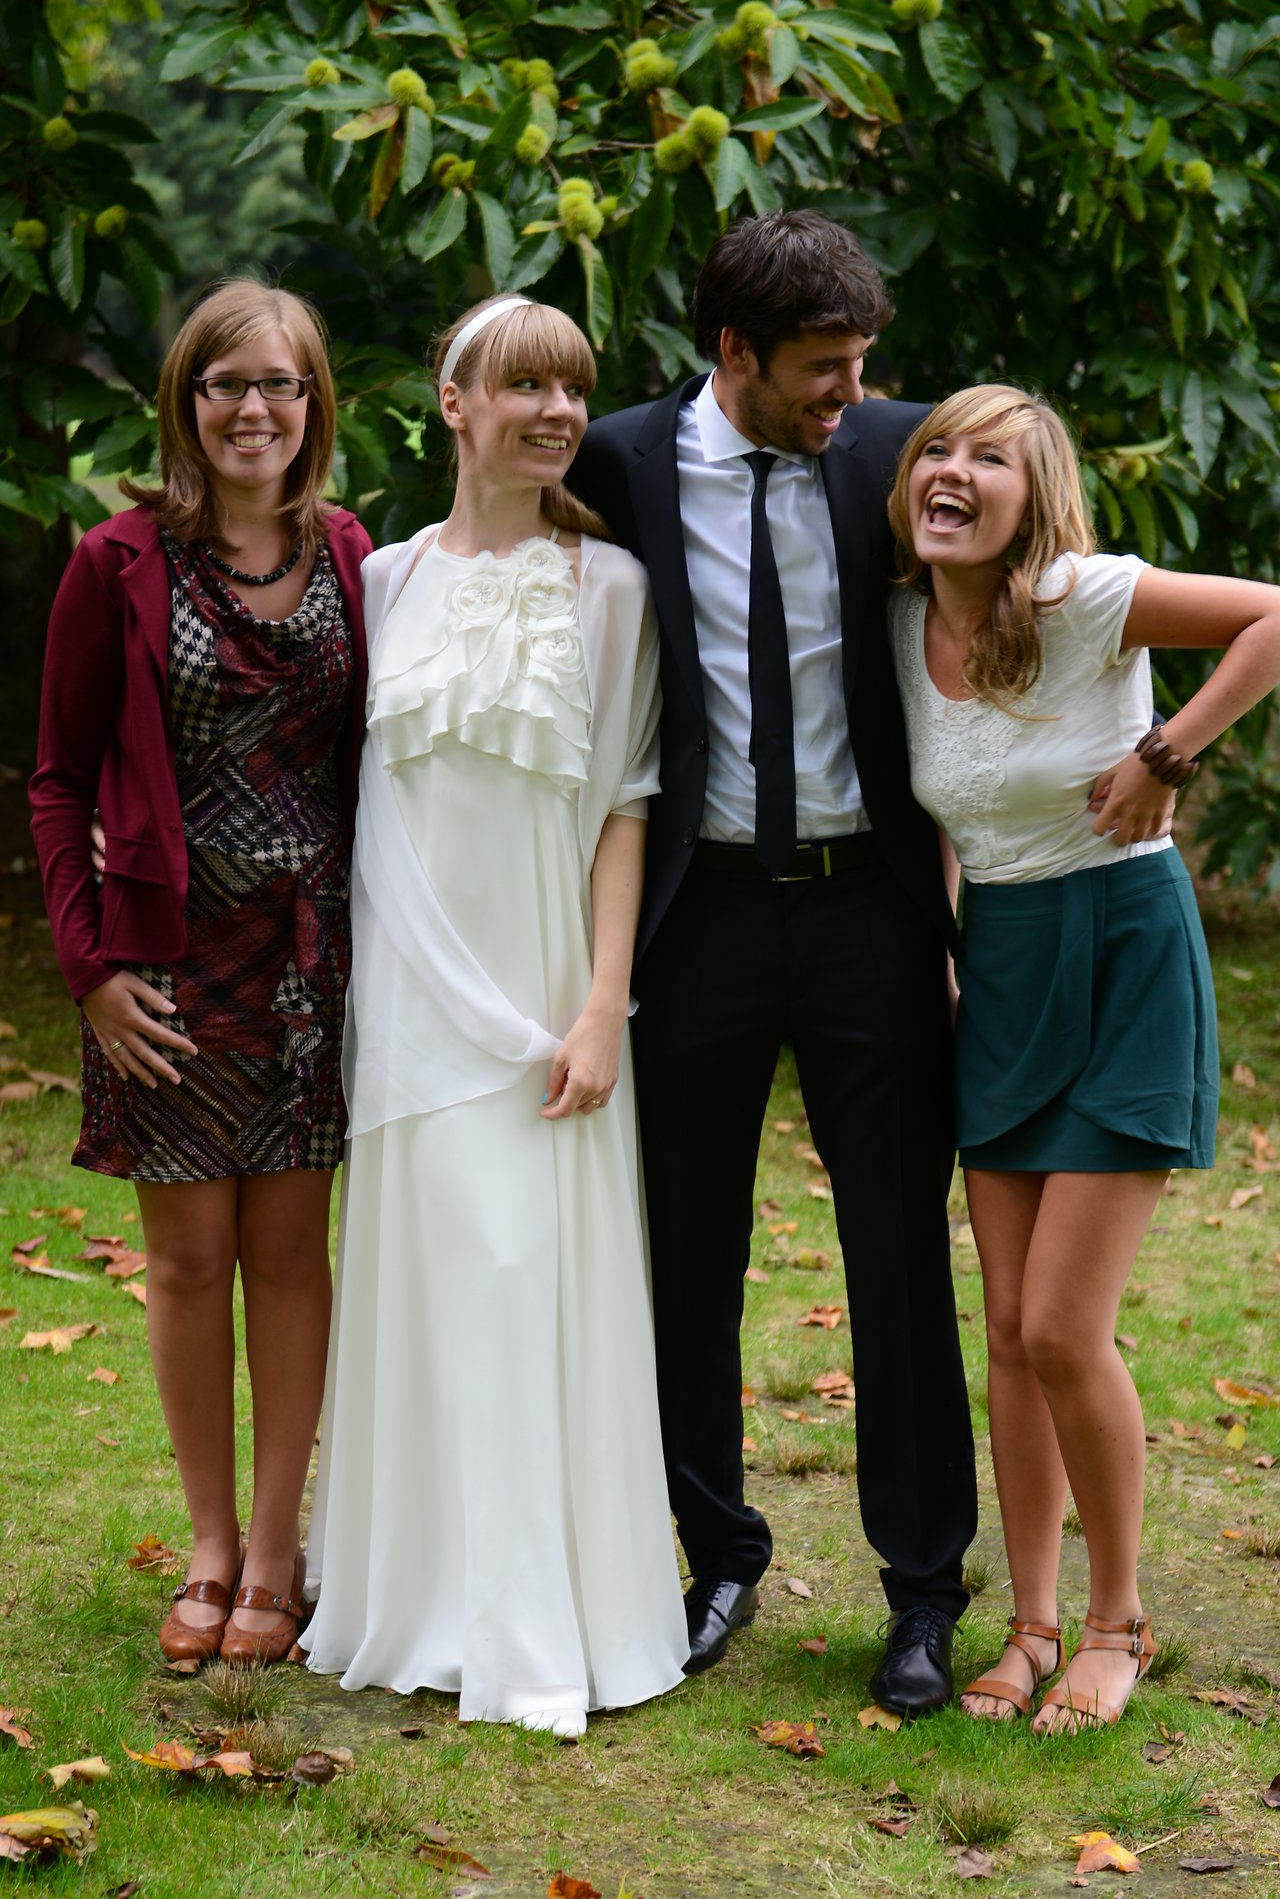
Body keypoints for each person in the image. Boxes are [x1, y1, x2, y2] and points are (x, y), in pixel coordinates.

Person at [567, 210, 977, 1714]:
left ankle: (924, 1588)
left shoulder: (902, 448)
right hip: (701, 916)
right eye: (820, 368)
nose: (849, 394)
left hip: (870, 907)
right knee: (684, 1253)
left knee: (897, 1252)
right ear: (731, 355)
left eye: (862, 362)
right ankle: (715, 1548)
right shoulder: (612, 461)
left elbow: (1030, 581)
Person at [300, 295, 688, 1738]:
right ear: (452, 402)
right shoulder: (384, 578)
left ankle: (542, 1614)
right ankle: (413, 1598)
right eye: (520, 385)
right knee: (429, 1275)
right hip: (406, 987)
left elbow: (627, 810)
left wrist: (600, 1006)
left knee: (528, 1273)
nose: (552, 412)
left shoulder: (615, 590)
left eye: (571, 390)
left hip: (543, 988)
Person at [885, 382, 1280, 1730]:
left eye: (988, 458)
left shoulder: (1084, 595)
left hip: (1121, 947)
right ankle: (1037, 1623)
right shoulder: (901, 625)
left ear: (1033, 496)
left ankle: (1121, 1621)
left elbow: (1274, 618)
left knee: (1063, 1321)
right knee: (1006, 1330)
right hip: (999, 966)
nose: (951, 471)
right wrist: (946, 945)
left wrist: (1168, 750)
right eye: (937, 447)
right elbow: (950, 802)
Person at [29, 279, 371, 1666]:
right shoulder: (114, 560)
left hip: (311, 964)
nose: (253, 409)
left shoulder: (354, 552)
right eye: (226, 384)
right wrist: (89, 970)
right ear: (187, 402)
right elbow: (57, 780)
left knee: (290, 1259)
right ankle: (211, 1547)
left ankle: (282, 1553)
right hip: (164, 969)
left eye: (280, 384)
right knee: (185, 1263)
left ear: (313, 405)